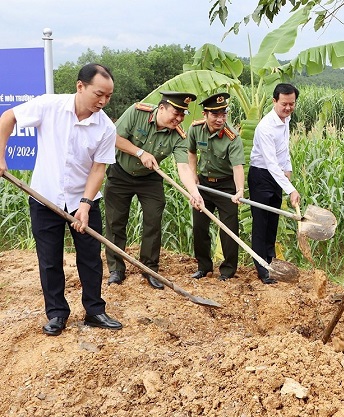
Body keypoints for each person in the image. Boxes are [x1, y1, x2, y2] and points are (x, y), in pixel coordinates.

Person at [0, 63, 122, 336]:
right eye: (98, 94)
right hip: (45, 198)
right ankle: (56, 314)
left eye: (108, 96)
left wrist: (86, 204)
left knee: (90, 257)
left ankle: (94, 310)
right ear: (80, 86)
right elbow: (8, 117)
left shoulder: (105, 127)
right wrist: (0, 154)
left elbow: (98, 169)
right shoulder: (49, 106)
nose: (103, 101)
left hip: (85, 201)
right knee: (50, 259)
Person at [104, 91, 203, 290]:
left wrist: (194, 192)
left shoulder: (179, 135)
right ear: (162, 107)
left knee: (153, 219)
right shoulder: (137, 112)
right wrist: (140, 152)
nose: (179, 118)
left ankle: (149, 268)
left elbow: (183, 167)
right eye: (176, 113)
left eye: (183, 114)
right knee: (115, 221)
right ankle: (116, 269)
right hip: (120, 172)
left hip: (149, 178)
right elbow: (114, 137)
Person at [188, 92, 245, 281]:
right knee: (200, 227)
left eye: (224, 114)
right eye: (215, 115)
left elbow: (237, 167)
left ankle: (228, 270)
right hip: (204, 185)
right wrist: (193, 176)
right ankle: (203, 267)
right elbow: (191, 153)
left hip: (226, 186)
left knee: (229, 229)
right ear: (205, 114)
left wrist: (239, 191)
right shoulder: (195, 129)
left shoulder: (232, 137)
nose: (220, 119)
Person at [248, 83, 301, 284]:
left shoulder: (285, 120)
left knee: (273, 220)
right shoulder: (265, 127)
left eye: (292, 104)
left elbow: (283, 150)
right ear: (274, 101)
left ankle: (270, 260)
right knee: (261, 222)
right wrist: (291, 189)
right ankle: (262, 268)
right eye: (284, 104)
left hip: (277, 174)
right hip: (261, 175)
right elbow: (270, 162)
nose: (288, 108)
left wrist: (288, 170)